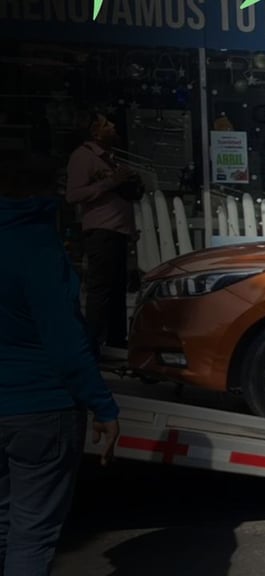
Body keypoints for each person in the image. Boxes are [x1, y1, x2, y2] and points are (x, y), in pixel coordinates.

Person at [1, 149, 120, 574]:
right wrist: (103, 406)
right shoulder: (37, 247)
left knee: (2, 529)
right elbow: (66, 343)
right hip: (40, 409)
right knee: (31, 538)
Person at [65, 112, 142, 358]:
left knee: (118, 289)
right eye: (107, 124)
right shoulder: (83, 157)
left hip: (118, 231)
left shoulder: (109, 159)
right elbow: (73, 195)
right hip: (102, 232)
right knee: (101, 290)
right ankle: (93, 344)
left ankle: (116, 341)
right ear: (94, 131)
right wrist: (110, 183)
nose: (113, 126)